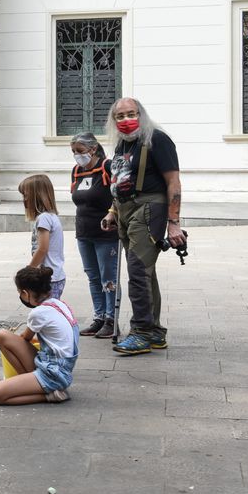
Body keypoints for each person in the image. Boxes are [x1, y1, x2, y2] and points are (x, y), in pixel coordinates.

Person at [101, 96, 185, 356]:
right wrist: (113, 211)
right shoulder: (122, 145)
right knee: (145, 272)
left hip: (149, 209)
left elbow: (174, 182)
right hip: (125, 209)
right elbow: (120, 179)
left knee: (138, 271)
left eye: (131, 114)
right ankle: (155, 331)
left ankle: (141, 333)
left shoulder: (157, 139)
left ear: (141, 114)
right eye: (120, 116)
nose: (126, 120)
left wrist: (174, 223)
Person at [0, 265, 79, 405]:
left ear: (25, 293)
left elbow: (25, 338)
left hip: (53, 374)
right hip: (59, 367)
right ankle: (28, 384)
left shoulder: (38, 313)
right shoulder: (60, 304)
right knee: (2, 335)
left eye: (20, 293)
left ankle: (50, 395)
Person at [69, 132, 117, 339]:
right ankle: (98, 318)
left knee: (108, 278)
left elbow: (120, 194)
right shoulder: (77, 171)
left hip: (106, 233)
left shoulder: (108, 166)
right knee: (93, 277)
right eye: (73, 152)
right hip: (84, 231)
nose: (77, 156)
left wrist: (112, 213)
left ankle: (111, 319)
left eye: (80, 151)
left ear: (93, 149)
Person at [19, 174, 65, 300]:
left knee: (47, 312)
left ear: (36, 195)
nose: (24, 199)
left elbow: (42, 249)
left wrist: (29, 269)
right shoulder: (51, 216)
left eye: (25, 195)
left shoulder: (44, 218)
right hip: (55, 276)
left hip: (49, 278)